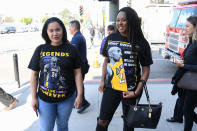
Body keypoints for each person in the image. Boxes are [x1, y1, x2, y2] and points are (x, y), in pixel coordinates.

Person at [96, 7, 153, 131]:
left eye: (123, 20)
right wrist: (102, 81)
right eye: (117, 20)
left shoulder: (141, 42)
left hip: (131, 90)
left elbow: (146, 69)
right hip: (111, 88)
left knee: (128, 124)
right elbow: (106, 61)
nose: (119, 23)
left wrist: (137, 91)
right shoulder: (110, 38)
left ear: (131, 21)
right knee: (102, 122)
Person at [28, 17, 83, 131]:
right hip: (45, 100)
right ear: (46, 32)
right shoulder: (41, 50)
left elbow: (78, 73)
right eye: (51, 30)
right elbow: (34, 75)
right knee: (46, 129)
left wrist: (79, 95)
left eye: (58, 29)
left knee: (62, 126)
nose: (55, 33)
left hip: (66, 98)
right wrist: (33, 97)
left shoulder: (72, 49)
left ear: (63, 30)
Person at [170, 16, 197, 131]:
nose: (184, 28)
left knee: (187, 110)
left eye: (187, 26)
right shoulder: (191, 42)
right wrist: (182, 61)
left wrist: (183, 65)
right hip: (188, 82)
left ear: (195, 28)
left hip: (194, 84)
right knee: (186, 109)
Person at [69, 20, 90, 113]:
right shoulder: (79, 36)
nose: (69, 29)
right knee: (78, 84)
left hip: (80, 66)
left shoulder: (76, 38)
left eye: (69, 27)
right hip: (82, 64)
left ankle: (83, 102)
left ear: (74, 28)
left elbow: (71, 52)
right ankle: (80, 102)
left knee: (78, 84)